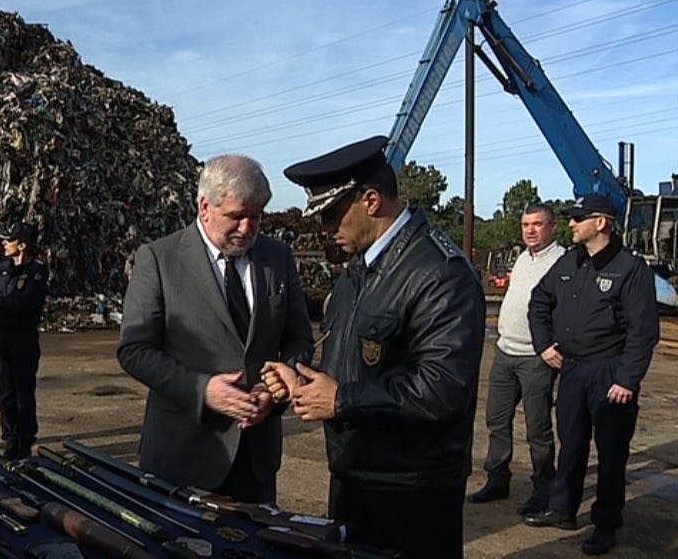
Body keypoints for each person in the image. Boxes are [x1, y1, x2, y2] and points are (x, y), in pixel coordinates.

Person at [264, 135, 485, 559]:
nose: (326, 228)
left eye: (331, 214)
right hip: (355, 475)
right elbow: (346, 357)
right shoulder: (358, 272)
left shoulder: (441, 274)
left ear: (370, 200)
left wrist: (341, 399)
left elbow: (441, 390)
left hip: (411, 490)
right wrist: (300, 379)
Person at [118, 154, 314, 504]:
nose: (247, 228)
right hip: (183, 456)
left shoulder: (277, 258)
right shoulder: (159, 259)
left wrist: (279, 388)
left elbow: (299, 338)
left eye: (255, 217)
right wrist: (202, 390)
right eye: (236, 216)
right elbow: (135, 350)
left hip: (256, 460)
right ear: (204, 207)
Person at [523, 194, 658, 556]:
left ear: (601, 223)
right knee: (572, 443)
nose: (571, 224)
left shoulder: (630, 269)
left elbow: (643, 331)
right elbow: (539, 301)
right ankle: (563, 509)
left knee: (612, 452)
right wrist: (543, 345)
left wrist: (628, 379)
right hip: (573, 368)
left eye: (578, 218)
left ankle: (606, 524)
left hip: (610, 371)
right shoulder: (570, 262)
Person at [469, 204, 565, 514]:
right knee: (496, 420)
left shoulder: (563, 262)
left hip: (535, 358)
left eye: (537, 224)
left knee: (537, 429)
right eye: (526, 224)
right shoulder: (523, 258)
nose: (530, 230)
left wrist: (552, 346)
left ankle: (543, 489)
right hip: (505, 351)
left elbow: (568, 311)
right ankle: (498, 479)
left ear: (552, 227)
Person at [0, 221, 48, 460]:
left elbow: (24, 304)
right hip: (2, 338)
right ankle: (9, 436)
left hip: (24, 338)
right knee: (4, 390)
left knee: (24, 391)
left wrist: (1, 306)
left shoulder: (37, 272)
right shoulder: (3, 269)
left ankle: (24, 439)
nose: (4, 244)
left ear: (22, 246)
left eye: (8, 241)